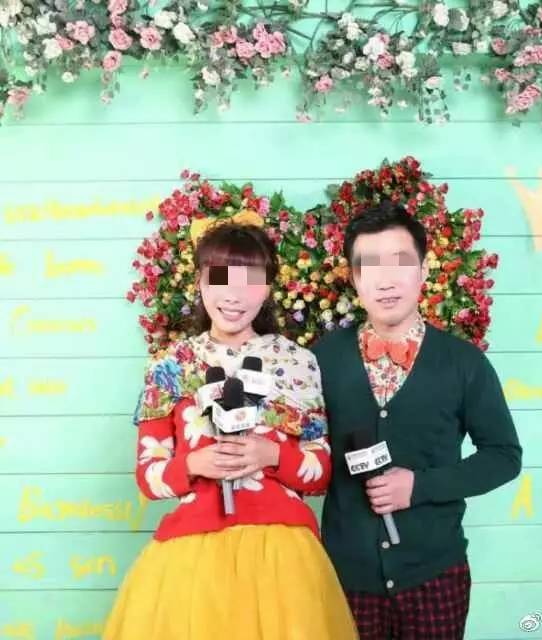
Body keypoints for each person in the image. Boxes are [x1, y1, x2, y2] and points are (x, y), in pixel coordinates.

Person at [103, 220, 358, 640]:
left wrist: (272, 455)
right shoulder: (170, 365)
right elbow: (149, 476)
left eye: (249, 280)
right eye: (219, 278)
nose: (233, 295)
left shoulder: (298, 362)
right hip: (190, 560)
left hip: (283, 560)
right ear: (200, 282)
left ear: (268, 287)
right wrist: (194, 464)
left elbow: (320, 473)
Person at [312, 200, 522, 640]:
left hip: (435, 575)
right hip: (346, 577)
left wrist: (419, 486)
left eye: (400, 263)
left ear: (424, 270)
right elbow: (303, 450)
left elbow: (504, 456)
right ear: (354, 278)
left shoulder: (463, 363)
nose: (386, 280)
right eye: (369, 265)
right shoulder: (320, 360)